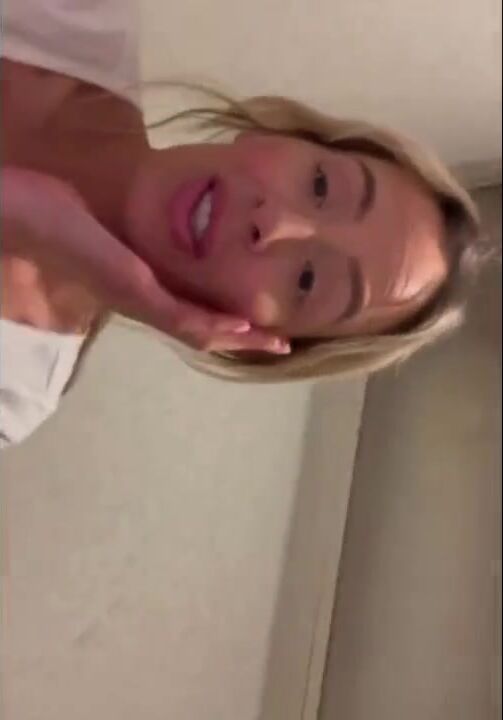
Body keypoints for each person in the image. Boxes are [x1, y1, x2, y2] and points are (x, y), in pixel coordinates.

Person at [0, 0, 484, 448]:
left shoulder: (14, 386)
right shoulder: (78, 14)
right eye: (320, 185)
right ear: (278, 135)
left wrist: (30, 219)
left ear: (252, 338)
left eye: (308, 280)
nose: (275, 222)